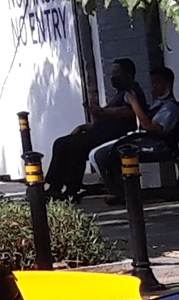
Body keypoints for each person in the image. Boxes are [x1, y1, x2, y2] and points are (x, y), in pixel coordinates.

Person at [45, 58, 142, 200]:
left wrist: (102, 112)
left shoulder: (132, 93)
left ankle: (72, 188)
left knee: (77, 145)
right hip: (101, 133)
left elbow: (130, 112)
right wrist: (85, 125)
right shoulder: (120, 93)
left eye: (117, 73)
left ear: (128, 74)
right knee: (61, 143)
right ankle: (54, 186)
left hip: (116, 138)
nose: (113, 77)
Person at [91, 64, 179, 200]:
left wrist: (134, 103)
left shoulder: (170, 108)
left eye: (158, 83)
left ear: (168, 84)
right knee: (95, 154)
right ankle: (117, 189)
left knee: (102, 154)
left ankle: (119, 192)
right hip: (143, 140)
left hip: (156, 144)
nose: (154, 86)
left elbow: (149, 126)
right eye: (153, 83)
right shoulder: (157, 104)